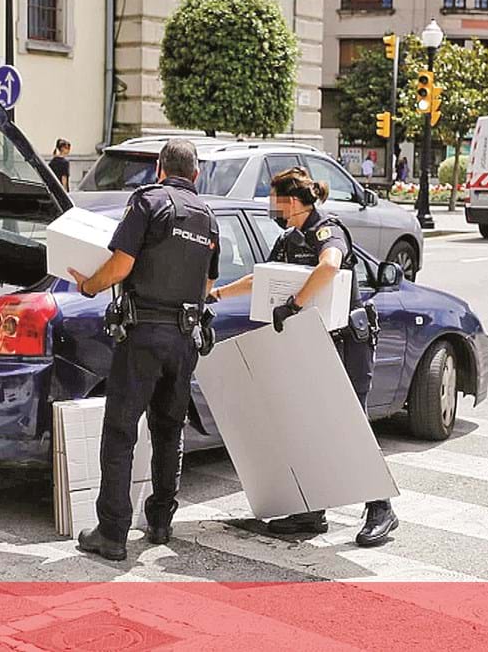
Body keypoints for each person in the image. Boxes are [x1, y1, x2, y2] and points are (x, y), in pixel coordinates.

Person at [209, 167, 398, 548]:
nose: (269, 206)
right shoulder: (288, 238)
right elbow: (260, 278)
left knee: (350, 422)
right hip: (310, 341)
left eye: (273, 199)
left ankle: (381, 508)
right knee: (306, 423)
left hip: (347, 341)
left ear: (291, 201)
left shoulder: (327, 230)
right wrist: (217, 295)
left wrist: (294, 304)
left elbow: (328, 266)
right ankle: (311, 510)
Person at [67, 139, 220, 561]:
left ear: (159, 168)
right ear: (196, 173)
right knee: (169, 431)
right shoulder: (208, 218)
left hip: (143, 335)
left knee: (120, 431)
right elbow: (207, 286)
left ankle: (112, 533)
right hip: (184, 338)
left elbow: (121, 264)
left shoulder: (148, 202)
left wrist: (88, 285)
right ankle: (160, 522)